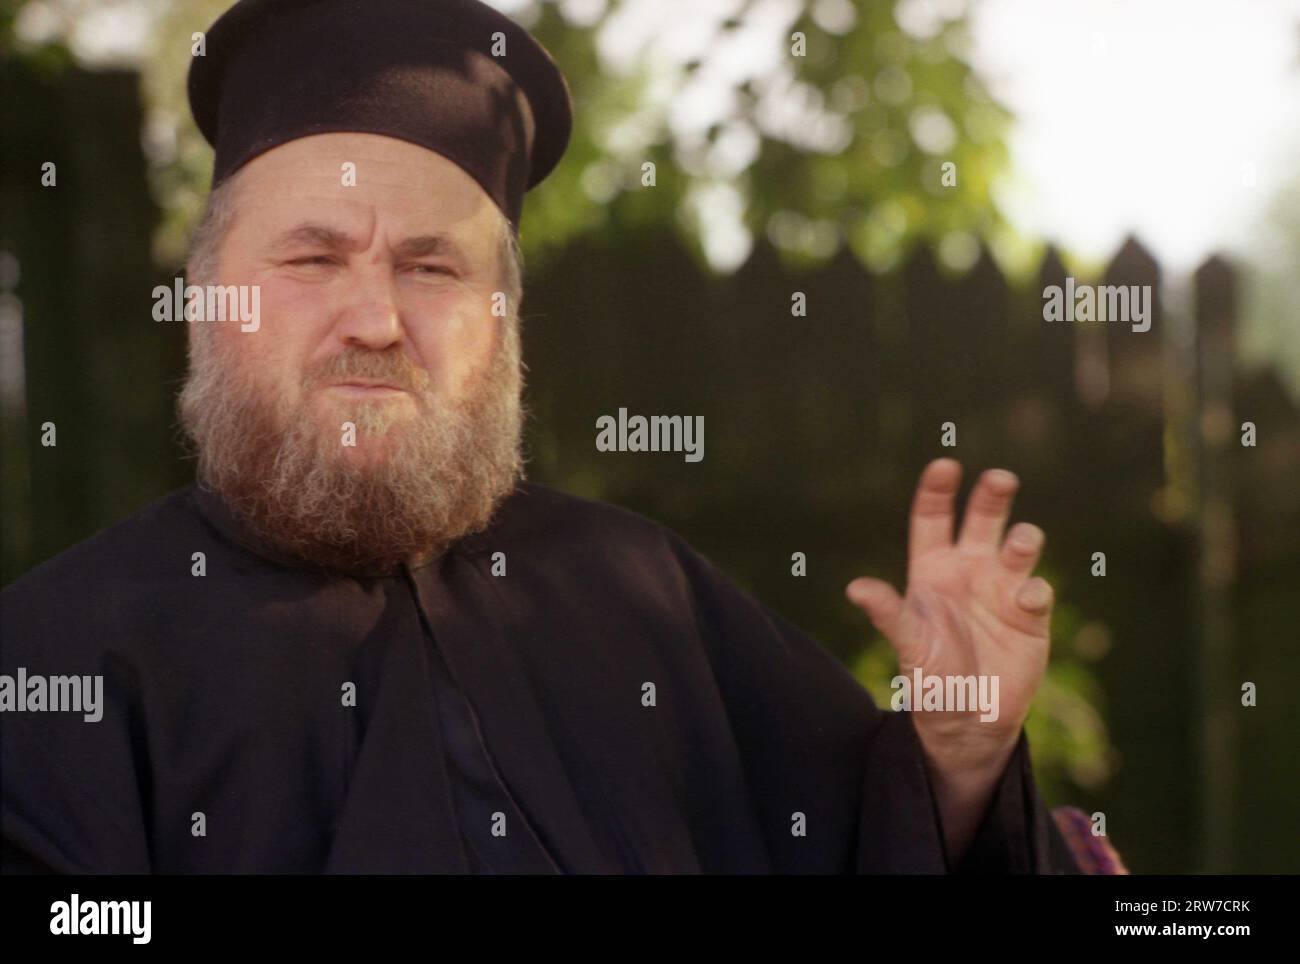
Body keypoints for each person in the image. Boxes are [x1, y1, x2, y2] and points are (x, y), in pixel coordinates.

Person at [0, 0, 1078, 874]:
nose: (375, 319)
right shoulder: (52, 662)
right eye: (313, 258)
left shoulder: (646, 599)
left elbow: (865, 843)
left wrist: (957, 758)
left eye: (432, 267)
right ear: (206, 299)